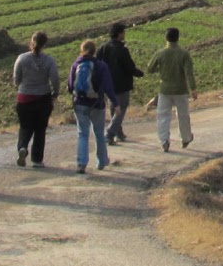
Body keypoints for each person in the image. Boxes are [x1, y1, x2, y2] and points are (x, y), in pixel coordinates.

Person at [68, 39, 117, 174]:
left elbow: (70, 86)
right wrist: (115, 103)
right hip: (97, 104)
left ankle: (81, 164)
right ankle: (101, 161)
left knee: (82, 133)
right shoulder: (101, 66)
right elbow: (108, 86)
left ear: (81, 49)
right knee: (99, 133)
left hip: (80, 103)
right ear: (95, 50)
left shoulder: (76, 64)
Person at [11, 31, 59, 169]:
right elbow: (54, 78)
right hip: (43, 98)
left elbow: (16, 79)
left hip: (24, 98)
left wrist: (22, 86)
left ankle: (22, 147)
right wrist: (55, 93)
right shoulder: (49, 60)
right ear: (45, 44)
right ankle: (37, 160)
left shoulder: (21, 58)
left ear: (31, 42)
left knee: (25, 127)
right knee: (40, 130)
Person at [147, 26, 196, 152]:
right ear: (178, 38)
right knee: (183, 115)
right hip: (181, 90)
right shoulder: (184, 54)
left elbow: (150, 69)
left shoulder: (160, 53)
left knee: (163, 116)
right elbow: (189, 73)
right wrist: (193, 89)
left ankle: (164, 141)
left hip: (165, 90)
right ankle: (185, 138)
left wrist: (162, 69)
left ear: (166, 38)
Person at [96, 22, 144, 145]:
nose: (124, 34)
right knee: (121, 109)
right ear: (119, 33)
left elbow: (97, 65)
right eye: (123, 32)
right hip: (122, 84)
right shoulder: (122, 49)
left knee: (113, 107)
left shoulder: (102, 48)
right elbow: (129, 66)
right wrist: (139, 73)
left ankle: (119, 133)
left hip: (107, 84)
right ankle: (110, 133)